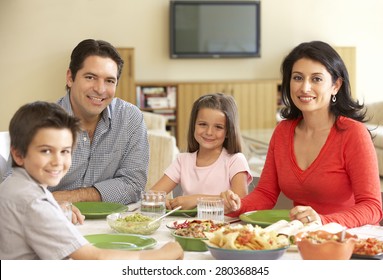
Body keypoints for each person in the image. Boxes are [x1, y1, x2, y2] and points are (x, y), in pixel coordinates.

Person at [221, 41, 383, 229]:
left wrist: (322, 221)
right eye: (297, 78)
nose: (304, 88)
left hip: (351, 239)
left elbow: (372, 207)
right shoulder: (283, 131)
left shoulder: (353, 134)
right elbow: (266, 194)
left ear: (336, 85)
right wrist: (238, 205)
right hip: (302, 237)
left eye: (316, 79)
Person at [0, 101, 183, 260]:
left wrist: (56, 211)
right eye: (46, 151)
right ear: (18, 154)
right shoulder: (35, 204)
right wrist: (162, 254)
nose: (57, 161)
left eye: (65, 151)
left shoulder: (13, 186)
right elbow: (95, 258)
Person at [50, 39, 149, 205]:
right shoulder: (40, 121)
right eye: (90, 77)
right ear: (70, 78)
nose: (100, 89)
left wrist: (72, 197)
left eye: (109, 81)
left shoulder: (130, 118)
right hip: (53, 221)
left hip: (112, 224)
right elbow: (16, 187)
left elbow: (134, 184)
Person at [151, 93, 252, 210]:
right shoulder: (182, 161)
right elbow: (152, 195)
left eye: (218, 127)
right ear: (194, 126)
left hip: (224, 227)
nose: (209, 132)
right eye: (203, 124)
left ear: (229, 131)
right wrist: (163, 202)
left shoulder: (235, 160)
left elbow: (239, 202)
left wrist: (196, 200)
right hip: (187, 226)